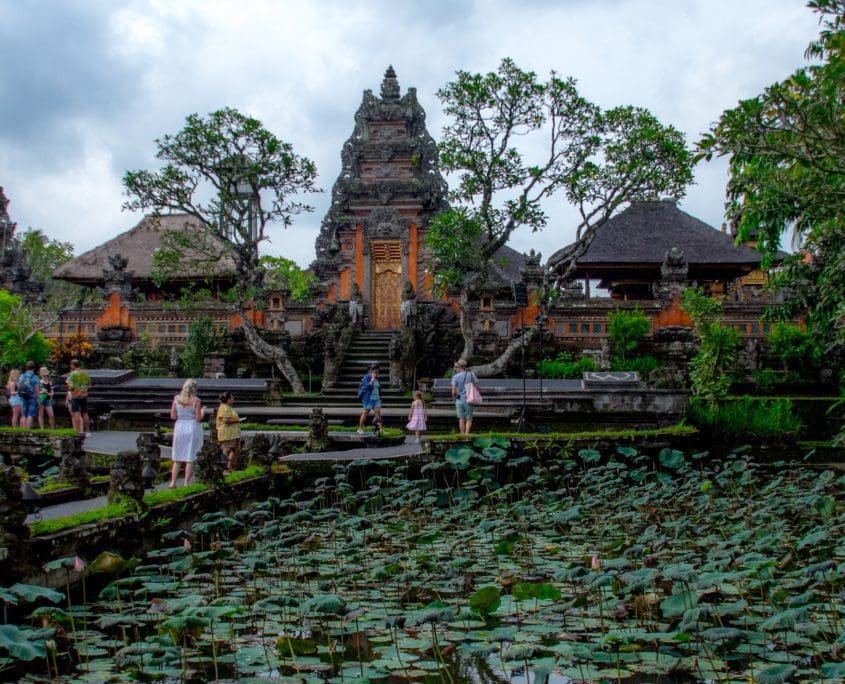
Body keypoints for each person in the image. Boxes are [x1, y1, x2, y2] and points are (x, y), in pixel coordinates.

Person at [169, 379, 204, 487]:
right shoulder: (196, 400)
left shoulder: (176, 399)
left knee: (178, 456)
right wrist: (202, 412)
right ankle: (186, 483)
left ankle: (173, 481)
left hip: (180, 426)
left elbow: (173, 416)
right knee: (190, 456)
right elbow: (198, 418)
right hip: (192, 426)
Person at [450, 359, 478, 435]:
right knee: (469, 418)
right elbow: (476, 387)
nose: (456, 368)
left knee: (461, 418)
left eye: (456, 367)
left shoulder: (456, 377)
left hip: (459, 400)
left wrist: (454, 397)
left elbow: (453, 392)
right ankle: (467, 433)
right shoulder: (471, 374)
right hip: (469, 399)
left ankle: (462, 433)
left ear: (459, 367)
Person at [216, 391, 241, 473]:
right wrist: (237, 420)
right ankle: (224, 469)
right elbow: (225, 420)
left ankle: (229, 467)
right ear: (228, 399)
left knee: (236, 449)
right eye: (232, 398)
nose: (233, 400)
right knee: (227, 449)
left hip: (234, 433)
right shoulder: (224, 407)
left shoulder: (228, 407)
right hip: (227, 433)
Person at [66, 358, 91, 436]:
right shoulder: (86, 373)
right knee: (85, 413)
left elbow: (71, 387)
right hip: (84, 395)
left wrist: (69, 386)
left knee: (76, 412)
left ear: (73, 365)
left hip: (76, 395)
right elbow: (90, 385)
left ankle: (78, 431)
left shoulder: (73, 374)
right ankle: (88, 431)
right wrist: (83, 389)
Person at [357, 364, 382, 434]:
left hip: (376, 398)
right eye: (375, 369)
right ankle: (360, 428)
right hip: (368, 398)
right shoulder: (366, 378)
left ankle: (380, 429)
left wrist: (380, 397)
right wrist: (373, 379)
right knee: (365, 413)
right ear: (371, 370)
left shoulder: (378, 378)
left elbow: (379, 389)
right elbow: (368, 387)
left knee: (378, 414)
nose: (377, 370)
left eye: (377, 369)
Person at [19, 361, 40, 429]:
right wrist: (38, 399)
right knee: (30, 414)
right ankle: (28, 429)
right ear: (33, 368)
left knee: (23, 414)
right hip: (32, 397)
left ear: (26, 367)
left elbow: (19, 387)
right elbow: (37, 389)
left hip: (23, 397)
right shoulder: (35, 377)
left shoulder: (22, 376)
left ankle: (23, 430)